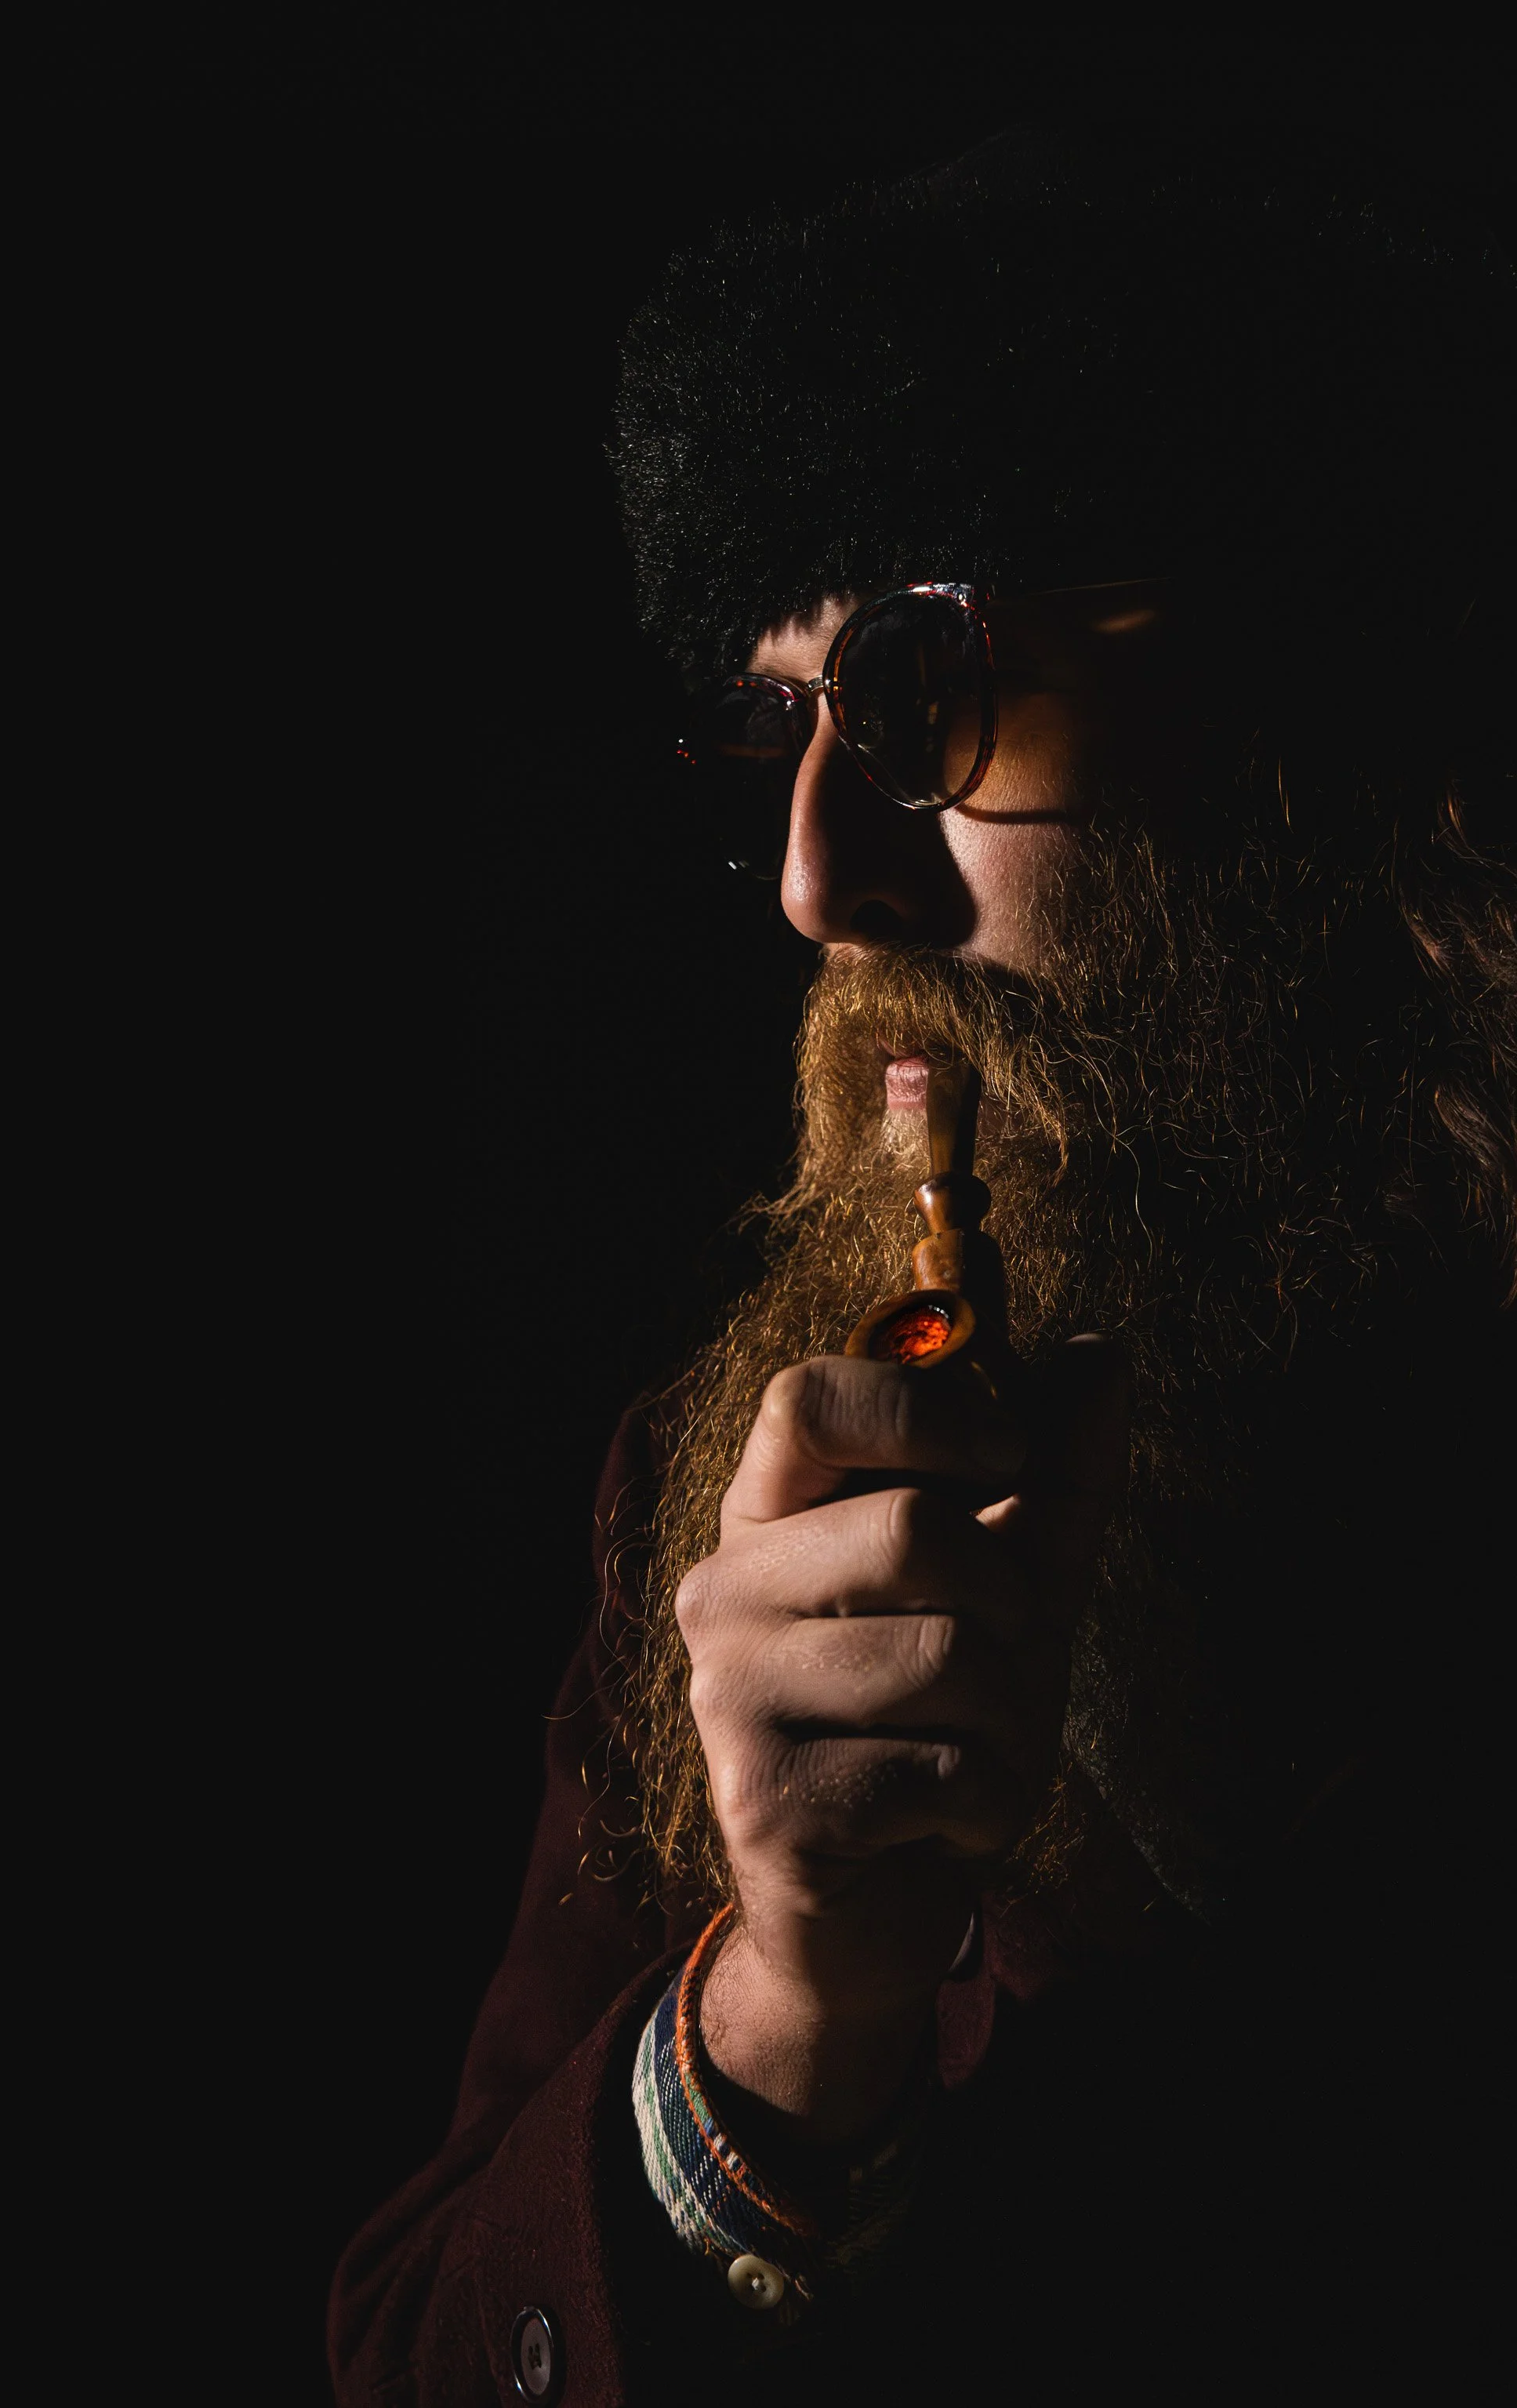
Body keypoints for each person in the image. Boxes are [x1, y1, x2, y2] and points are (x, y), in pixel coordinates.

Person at [330, 129, 1514, 2403]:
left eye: (916, 686)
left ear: (1330, 705)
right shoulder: (713, 1499)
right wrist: (786, 2000)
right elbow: (411, 2355)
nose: (812, 883)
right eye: (787, 723)